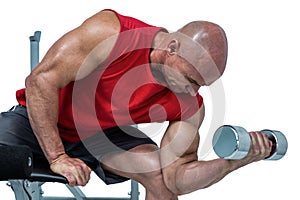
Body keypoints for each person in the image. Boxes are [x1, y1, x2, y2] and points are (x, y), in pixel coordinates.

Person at [0, 9, 272, 200]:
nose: (194, 90)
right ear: (173, 47)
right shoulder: (112, 33)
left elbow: (175, 177)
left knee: (158, 174)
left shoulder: (191, 105)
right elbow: (40, 81)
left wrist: (234, 162)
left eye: (201, 85)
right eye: (191, 78)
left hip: (100, 135)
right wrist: (58, 157)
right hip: (39, 121)